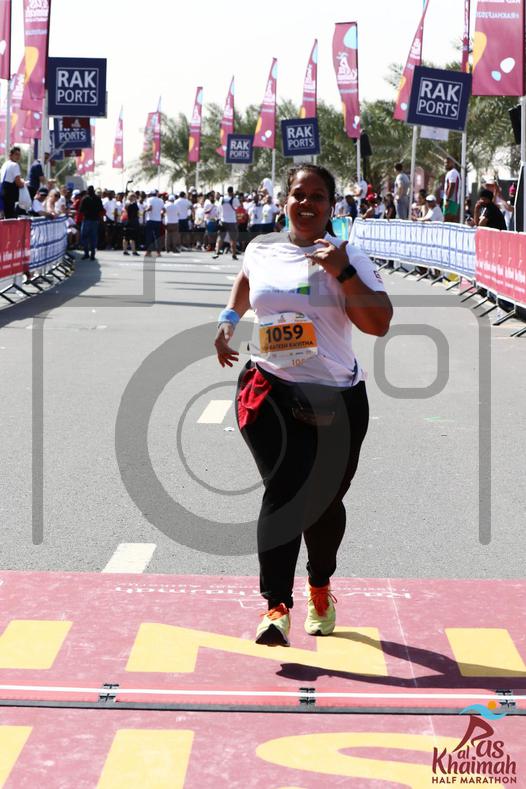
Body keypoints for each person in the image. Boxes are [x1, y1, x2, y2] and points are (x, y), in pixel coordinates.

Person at [214, 164, 393, 646]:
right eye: (298, 194)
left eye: (317, 196)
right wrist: (229, 318)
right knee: (285, 490)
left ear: (332, 206)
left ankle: (319, 584)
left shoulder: (348, 254)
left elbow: (379, 323)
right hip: (270, 390)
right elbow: (247, 280)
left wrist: (343, 272)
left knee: (323, 504)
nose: (306, 203)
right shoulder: (262, 247)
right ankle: (275, 607)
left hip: (336, 399)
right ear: (284, 200)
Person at [213, 186, 240, 259]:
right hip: (232, 221)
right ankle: (234, 254)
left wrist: (218, 217)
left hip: (223, 220)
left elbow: (218, 209)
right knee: (233, 238)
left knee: (220, 237)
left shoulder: (222, 199)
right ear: (232, 191)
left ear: (227, 191)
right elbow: (237, 208)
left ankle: (217, 252)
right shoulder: (235, 199)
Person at [79, 186, 104, 260]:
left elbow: (81, 210)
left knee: (84, 237)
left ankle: (86, 253)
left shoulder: (85, 199)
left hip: (87, 219)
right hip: (95, 220)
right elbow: (101, 209)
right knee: (93, 237)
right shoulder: (98, 199)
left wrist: (86, 212)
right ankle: (92, 254)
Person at [0, 146, 25, 219]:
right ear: (10, 155)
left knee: (3, 217)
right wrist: (23, 184)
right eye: (16, 154)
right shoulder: (15, 165)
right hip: (8, 193)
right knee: (10, 217)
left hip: (1, 191)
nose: (18, 157)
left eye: (19, 155)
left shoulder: (5, 164)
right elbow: (18, 182)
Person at [144, 189, 165, 256]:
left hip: (150, 220)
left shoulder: (149, 199)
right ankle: (158, 252)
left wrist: (145, 211)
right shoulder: (161, 200)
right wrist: (160, 215)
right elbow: (164, 210)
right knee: (157, 237)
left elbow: (150, 208)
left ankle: (148, 252)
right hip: (158, 220)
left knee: (149, 236)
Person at [443, 156, 461, 223]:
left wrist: (447, 200)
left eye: (447, 162)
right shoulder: (451, 172)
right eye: (445, 163)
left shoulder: (452, 172)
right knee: (450, 221)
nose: (446, 164)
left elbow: (452, 186)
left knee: (447, 222)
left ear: (453, 163)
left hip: (451, 201)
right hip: (452, 201)